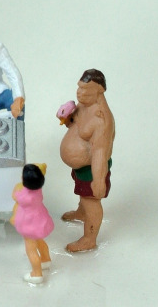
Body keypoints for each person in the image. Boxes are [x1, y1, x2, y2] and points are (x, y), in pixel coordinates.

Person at [60, 69, 115, 252]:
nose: (79, 93)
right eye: (79, 87)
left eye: (85, 89)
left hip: (94, 168)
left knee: (91, 200)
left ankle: (89, 238)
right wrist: (66, 118)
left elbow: (100, 151)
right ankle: (81, 212)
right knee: (82, 193)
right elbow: (75, 126)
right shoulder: (83, 105)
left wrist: (98, 180)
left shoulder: (101, 119)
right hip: (81, 167)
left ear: (99, 91)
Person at [11, 164, 54, 283]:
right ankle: (45, 259)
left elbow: (15, 196)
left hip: (29, 224)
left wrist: (17, 189)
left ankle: (36, 274)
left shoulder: (24, 196)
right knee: (40, 241)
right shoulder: (38, 190)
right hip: (40, 220)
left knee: (31, 250)